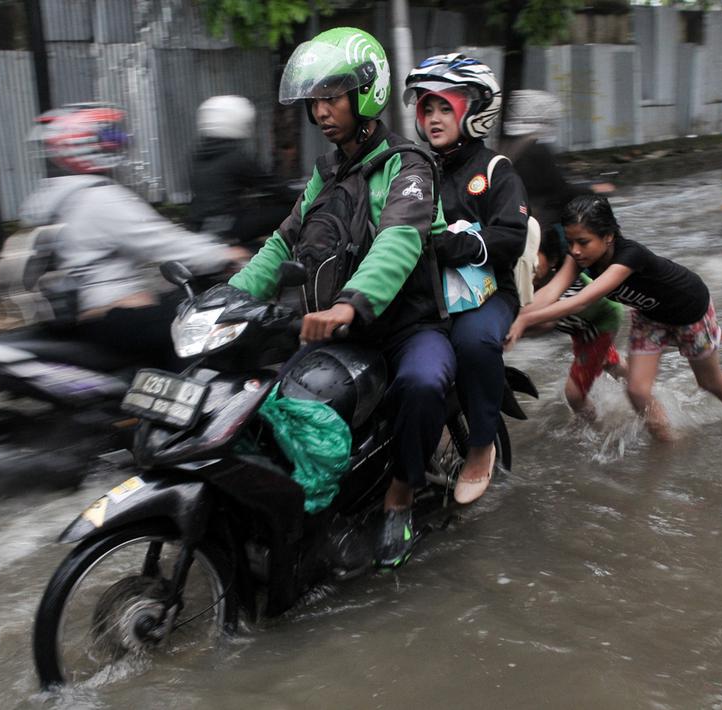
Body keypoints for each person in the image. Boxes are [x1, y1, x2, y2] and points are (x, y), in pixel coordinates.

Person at [226, 28, 451, 568]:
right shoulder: (325, 174)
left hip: (403, 327)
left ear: (366, 93)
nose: (321, 111)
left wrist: (351, 303)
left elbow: (398, 240)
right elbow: (282, 241)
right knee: (266, 404)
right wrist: (226, 301)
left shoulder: (409, 166)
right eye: (315, 101)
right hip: (335, 329)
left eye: (332, 97)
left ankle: (399, 496)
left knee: (422, 384)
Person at [506, 195, 722, 441]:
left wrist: (525, 321)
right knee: (637, 391)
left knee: (709, 382)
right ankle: (669, 442)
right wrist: (515, 315)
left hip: (691, 311)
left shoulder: (629, 256)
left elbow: (581, 300)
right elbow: (551, 292)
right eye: (570, 242)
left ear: (608, 237)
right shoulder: (578, 258)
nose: (575, 251)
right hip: (650, 317)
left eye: (583, 242)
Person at [20, 102, 244, 361]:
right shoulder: (102, 199)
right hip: (112, 316)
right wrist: (224, 255)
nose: (119, 140)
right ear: (81, 144)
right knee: (205, 328)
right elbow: (165, 243)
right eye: (108, 135)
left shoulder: (50, 195)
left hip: (80, 314)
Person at [403, 53, 527, 504]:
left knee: (474, 341)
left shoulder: (495, 171)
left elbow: (511, 235)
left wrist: (465, 244)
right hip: (424, 295)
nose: (434, 119)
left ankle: (479, 445)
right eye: (427, 108)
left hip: (486, 295)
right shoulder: (412, 169)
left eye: (444, 108)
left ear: (473, 111)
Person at [521, 228, 627, 422]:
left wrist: (517, 329)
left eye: (534, 258)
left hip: (601, 321)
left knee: (574, 394)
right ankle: (641, 386)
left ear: (553, 260)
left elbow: (548, 322)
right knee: (609, 362)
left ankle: (597, 428)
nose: (528, 265)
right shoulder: (531, 280)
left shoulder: (564, 285)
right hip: (582, 326)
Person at [187, 95, 296, 252]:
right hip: (229, 226)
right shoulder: (235, 157)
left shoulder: (199, 155)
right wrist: (300, 197)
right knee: (289, 210)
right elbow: (271, 185)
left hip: (200, 225)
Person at [497, 89, 614, 231]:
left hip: (511, 217)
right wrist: (592, 189)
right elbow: (560, 192)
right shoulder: (537, 149)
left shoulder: (507, 146)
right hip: (539, 222)